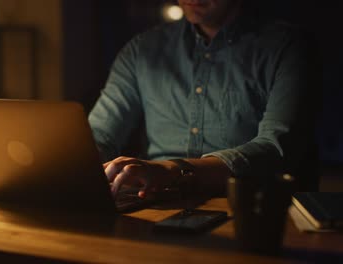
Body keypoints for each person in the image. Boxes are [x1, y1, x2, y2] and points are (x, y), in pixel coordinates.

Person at [88, 0, 319, 198]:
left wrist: (171, 171)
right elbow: (101, 134)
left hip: (252, 208)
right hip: (156, 203)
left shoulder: (284, 46)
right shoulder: (143, 50)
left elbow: (276, 149)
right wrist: (72, 162)